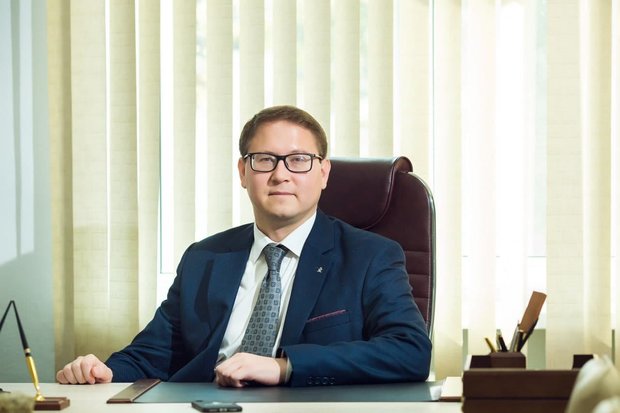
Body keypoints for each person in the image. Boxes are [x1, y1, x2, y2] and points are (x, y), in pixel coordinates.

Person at [56, 105, 432, 387]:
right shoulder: (205, 258)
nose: (281, 174)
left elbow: (410, 351)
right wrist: (105, 371)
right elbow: (154, 353)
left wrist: (284, 367)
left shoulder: (371, 256)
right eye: (265, 160)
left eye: (299, 160)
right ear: (243, 172)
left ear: (323, 173)